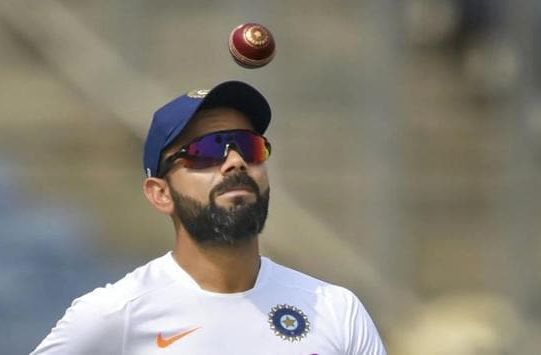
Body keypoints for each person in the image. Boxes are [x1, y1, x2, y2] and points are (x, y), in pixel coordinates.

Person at [31, 80, 387, 354]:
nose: (235, 162)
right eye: (206, 151)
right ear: (160, 193)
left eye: (249, 147)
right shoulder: (114, 314)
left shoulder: (336, 309)